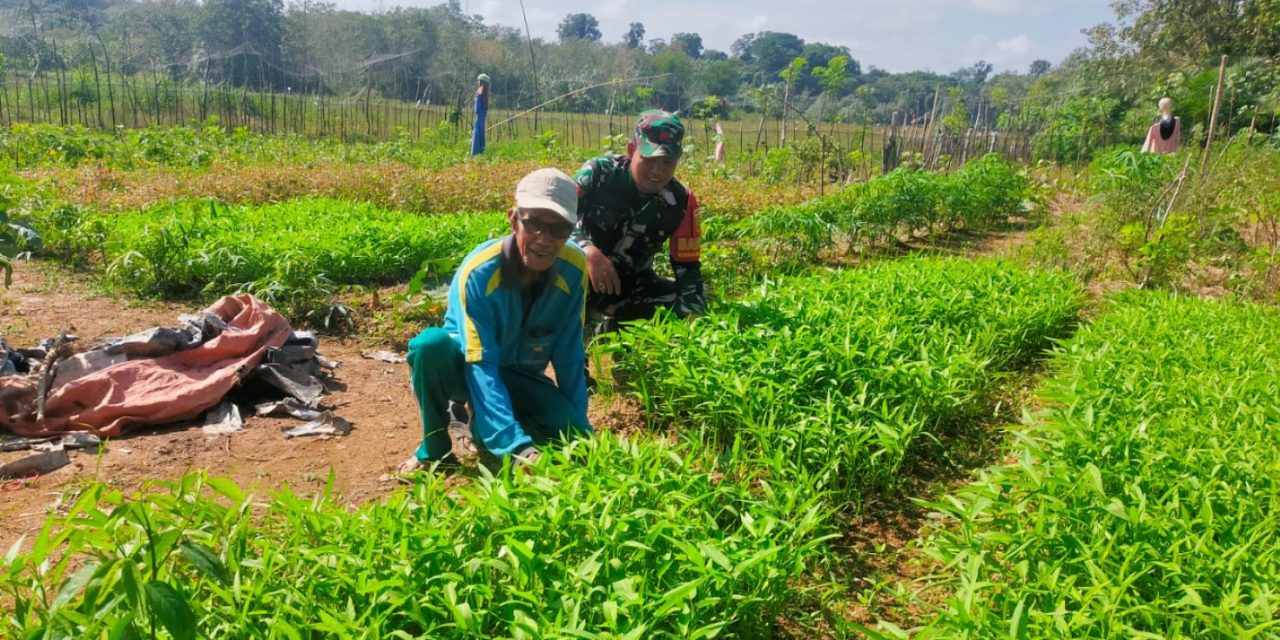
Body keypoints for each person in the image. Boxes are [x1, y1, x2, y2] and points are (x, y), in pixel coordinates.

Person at [398, 168, 592, 473]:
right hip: (466, 368)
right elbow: (481, 364)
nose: (545, 239)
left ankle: (484, 425)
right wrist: (519, 449)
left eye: (559, 229)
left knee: (572, 436)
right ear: (514, 220)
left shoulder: (574, 267)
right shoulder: (480, 272)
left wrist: (581, 430)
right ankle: (434, 449)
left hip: (521, 374)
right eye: (535, 224)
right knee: (429, 346)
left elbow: (570, 354)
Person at [572, 109, 706, 332]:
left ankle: (611, 327)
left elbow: (688, 268)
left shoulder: (681, 201)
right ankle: (574, 325)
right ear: (632, 149)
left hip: (630, 285)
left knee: (684, 301)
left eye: (667, 162)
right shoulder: (599, 173)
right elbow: (556, 219)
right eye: (649, 159)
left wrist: (693, 316)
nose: (658, 171)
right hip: (580, 276)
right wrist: (586, 249)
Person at [471, 73, 490, 156]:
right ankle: (481, 153)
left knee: (477, 134)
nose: (478, 83)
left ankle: (475, 154)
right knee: (481, 134)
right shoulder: (484, 92)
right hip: (482, 116)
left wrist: (478, 112)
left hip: (479, 116)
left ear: (481, 82)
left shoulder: (480, 90)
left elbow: (478, 106)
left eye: (479, 81)